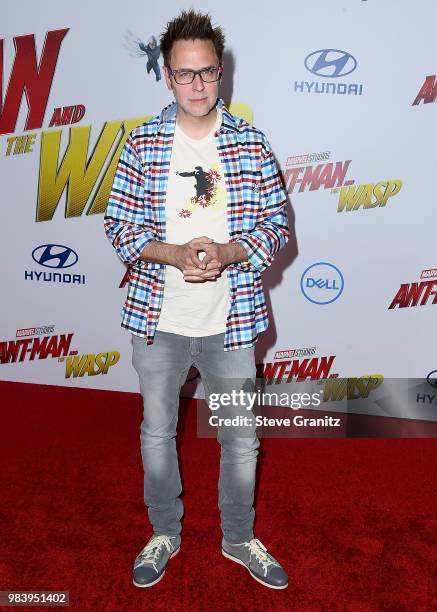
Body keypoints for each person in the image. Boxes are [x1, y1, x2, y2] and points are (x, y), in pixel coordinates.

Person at [104, 9, 289, 590]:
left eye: (208, 72)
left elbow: (276, 225)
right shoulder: (144, 142)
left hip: (230, 321)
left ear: (221, 72)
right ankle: (164, 531)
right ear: (167, 77)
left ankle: (238, 538)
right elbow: (120, 226)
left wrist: (232, 253)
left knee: (240, 437)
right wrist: (175, 254)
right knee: (157, 432)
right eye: (186, 75)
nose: (199, 85)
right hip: (158, 318)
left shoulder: (251, 143)